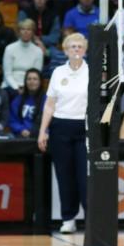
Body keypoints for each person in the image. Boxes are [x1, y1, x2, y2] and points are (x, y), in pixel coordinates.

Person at [37, 33, 89, 234]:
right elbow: (50, 105)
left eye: (79, 46)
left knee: (84, 177)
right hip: (60, 128)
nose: (76, 50)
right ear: (66, 51)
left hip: (83, 129)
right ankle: (68, 218)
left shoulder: (91, 72)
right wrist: (43, 131)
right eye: (72, 47)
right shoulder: (58, 72)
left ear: (84, 50)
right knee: (64, 175)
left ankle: (90, 218)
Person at [2, 19, 44, 93]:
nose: (26, 32)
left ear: (32, 32)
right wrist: (17, 87)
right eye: (23, 29)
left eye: (29, 29)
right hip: (10, 86)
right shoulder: (9, 48)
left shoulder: (38, 51)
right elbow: (7, 74)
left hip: (30, 87)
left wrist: (26, 89)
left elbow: (36, 75)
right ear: (19, 32)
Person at [8, 68, 45, 138]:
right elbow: (12, 120)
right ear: (25, 82)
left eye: (35, 79)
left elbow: (49, 121)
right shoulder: (18, 99)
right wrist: (21, 129)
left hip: (40, 136)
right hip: (20, 135)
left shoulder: (46, 99)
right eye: (29, 79)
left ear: (40, 82)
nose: (32, 81)